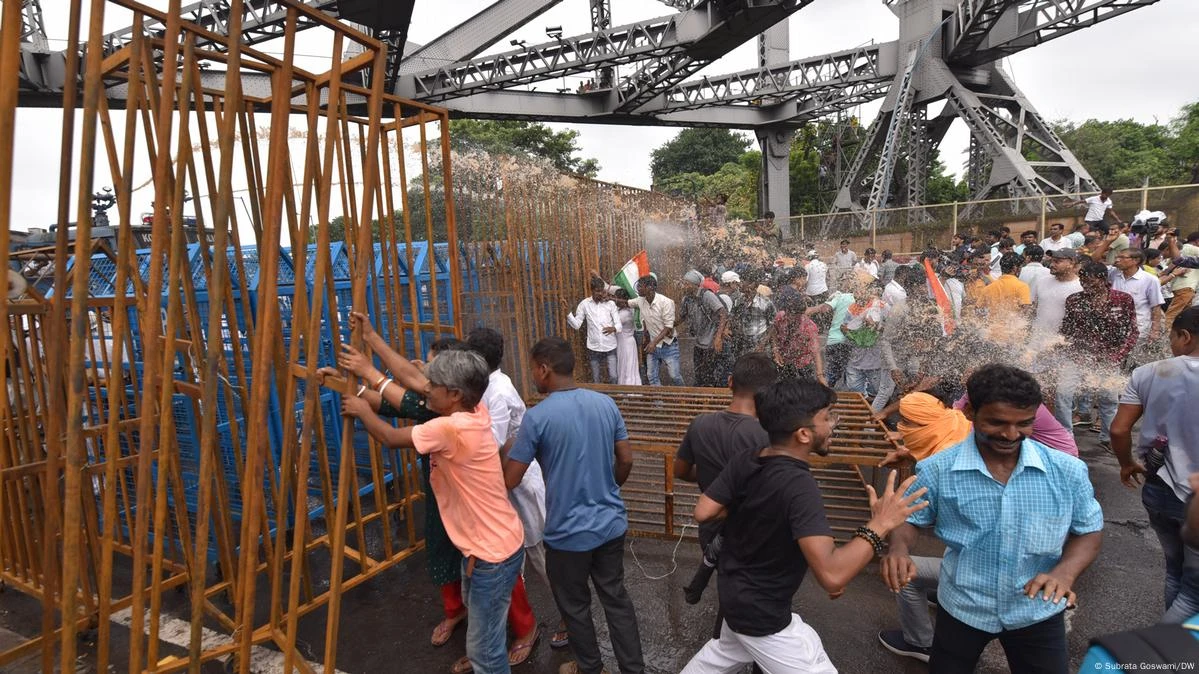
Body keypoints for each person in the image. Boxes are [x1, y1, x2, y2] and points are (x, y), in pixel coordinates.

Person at [679, 378, 928, 674]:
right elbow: (833, 575)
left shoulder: (749, 458)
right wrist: (881, 523)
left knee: (722, 655)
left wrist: (759, 512)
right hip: (762, 614)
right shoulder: (799, 486)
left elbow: (704, 511)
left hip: (735, 594)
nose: (833, 424)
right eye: (826, 418)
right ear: (803, 434)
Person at [883, 364, 1104, 674]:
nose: (1011, 435)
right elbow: (910, 520)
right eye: (997, 422)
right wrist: (898, 550)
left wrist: (1065, 574)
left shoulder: (1068, 472)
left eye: (1024, 424)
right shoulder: (936, 471)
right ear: (970, 412)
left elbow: (1089, 531)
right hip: (962, 608)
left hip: (1037, 612)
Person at [344, 348, 527, 674]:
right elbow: (415, 384)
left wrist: (361, 408)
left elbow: (389, 437)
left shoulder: (449, 429)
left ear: (454, 394)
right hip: (496, 546)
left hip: (491, 555)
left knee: (485, 653)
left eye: (433, 386)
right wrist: (369, 360)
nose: (426, 389)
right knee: (482, 627)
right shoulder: (476, 409)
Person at [504, 338, 644, 674]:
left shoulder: (536, 419)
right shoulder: (605, 404)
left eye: (533, 368)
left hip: (567, 535)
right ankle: (633, 668)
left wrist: (509, 445)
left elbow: (511, 479)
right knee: (616, 599)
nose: (533, 376)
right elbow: (625, 460)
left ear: (544, 368)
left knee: (576, 606)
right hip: (610, 526)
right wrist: (608, 488)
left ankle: (590, 667)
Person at [466, 327, 554, 661]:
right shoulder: (486, 386)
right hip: (503, 481)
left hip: (516, 478)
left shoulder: (498, 391)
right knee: (510, 555)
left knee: (538, 551)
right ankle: (518, 621)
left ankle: (571, 616)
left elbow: (492, 447)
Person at [1110, 307, 1199, 623]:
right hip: (1196, 498)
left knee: (1176, 571)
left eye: (1173, 338)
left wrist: (1125, 464)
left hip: (1158, 489)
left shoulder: (1147, 373)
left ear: (1184, 336)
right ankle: (1169, 655)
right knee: (1193, 592)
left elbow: (1119, 429)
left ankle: (1171, 654)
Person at [1053, 260, 1139, 452]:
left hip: (1108, 358)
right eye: (1083, 281)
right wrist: (1059, 347)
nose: (1085, 285)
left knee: (1108, 399)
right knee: (1062, 394)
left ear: (1103, 280)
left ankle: (1108, 438)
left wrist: (1118, 355)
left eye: (1090, 281)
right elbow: (1067, 330)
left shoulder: (1122, 300)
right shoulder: (1074, 300)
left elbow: (1132, 332)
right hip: (1077, 356)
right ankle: (1065, 439)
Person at [628, 274, 683, 386]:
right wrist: (609, 298)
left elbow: (668, 327)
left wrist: (653, 342)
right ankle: (659, 402)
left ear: (650, 288)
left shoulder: (666, 302)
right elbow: (625, 302)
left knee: (674, 376)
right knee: (651, 377)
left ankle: (685, 397)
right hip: (653, 346)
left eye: (640, 286)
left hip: (668, 344)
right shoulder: (640, 300)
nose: (638, 288)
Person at [678, 269, 730, 387]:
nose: (683, 286)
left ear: (694, 285)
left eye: (686, 283)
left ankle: (712, 400)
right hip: (699, 343)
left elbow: (723, 313)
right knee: (699, 374)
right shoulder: (687, 299)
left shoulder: (707, 295)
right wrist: (669, 326)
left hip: (711, 343)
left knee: (711, 375)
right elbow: (682, 318)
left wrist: (718, 338)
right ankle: (702, 400)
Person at [565, 276, 620, 384]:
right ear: (592, 290)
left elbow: (619, 325)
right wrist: (568, 313)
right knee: (596, 379)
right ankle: (598, 399)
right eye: (597, 291)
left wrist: (614, 328)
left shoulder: (610, 304)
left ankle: (615, 398)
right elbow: (576, 325)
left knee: (613, 376)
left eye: (602, 291)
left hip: (610, 346)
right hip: (594, 348)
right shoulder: (584, 304)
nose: (600, 293)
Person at [807, 286, 856, 388]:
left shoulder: (840, 296)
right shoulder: (861, 300)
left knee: (832, 373)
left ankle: (824, 393)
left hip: (833, 341)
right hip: (849, 342)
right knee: (851, 373)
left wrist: (829, 301)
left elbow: (825, 309)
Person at [769, 290, 824, 382]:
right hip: (784, 361)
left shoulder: (809, 327)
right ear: (786, 311)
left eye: (798, 315)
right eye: (791, 315)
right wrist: (775, 351)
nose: (795, 318)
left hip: (803, 364)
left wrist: (820, 375)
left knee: (804, 391)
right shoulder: (780, 317)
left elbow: (816, 352)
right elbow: (774, 332)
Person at [1030, 249, 1083, 340]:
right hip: (1036, 339)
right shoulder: (1041, 281)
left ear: (1072, 263)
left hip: (1061, 342)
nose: (1051, 265)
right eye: (1052, 261)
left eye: (1057, 262)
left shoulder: (1080, 287)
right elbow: (1032, 308)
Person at [729, 269, 775, 358]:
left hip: (760, 347)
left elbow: (772, 326)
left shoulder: (765, 303)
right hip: (742, 346)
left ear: (753, 284)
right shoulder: (738, 301)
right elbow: (732, 318)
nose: (740, 284)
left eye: (743, 281)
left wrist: (762, 344)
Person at [1159, 232, 1199, 323]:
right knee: (1175, 315)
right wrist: (1171, 242)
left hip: (1187, 289)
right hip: (1187, 289)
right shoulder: (1193, 250)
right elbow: (1179, 260)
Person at [610, 288, 643, 386]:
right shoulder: (629, 310)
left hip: (625, 344)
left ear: (621, 299)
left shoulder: (624, 314)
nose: (614, 300)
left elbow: (612, 324)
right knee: (628, 367)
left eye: (616, 298)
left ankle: (628, 390)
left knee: (626, 367)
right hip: (627, 342)